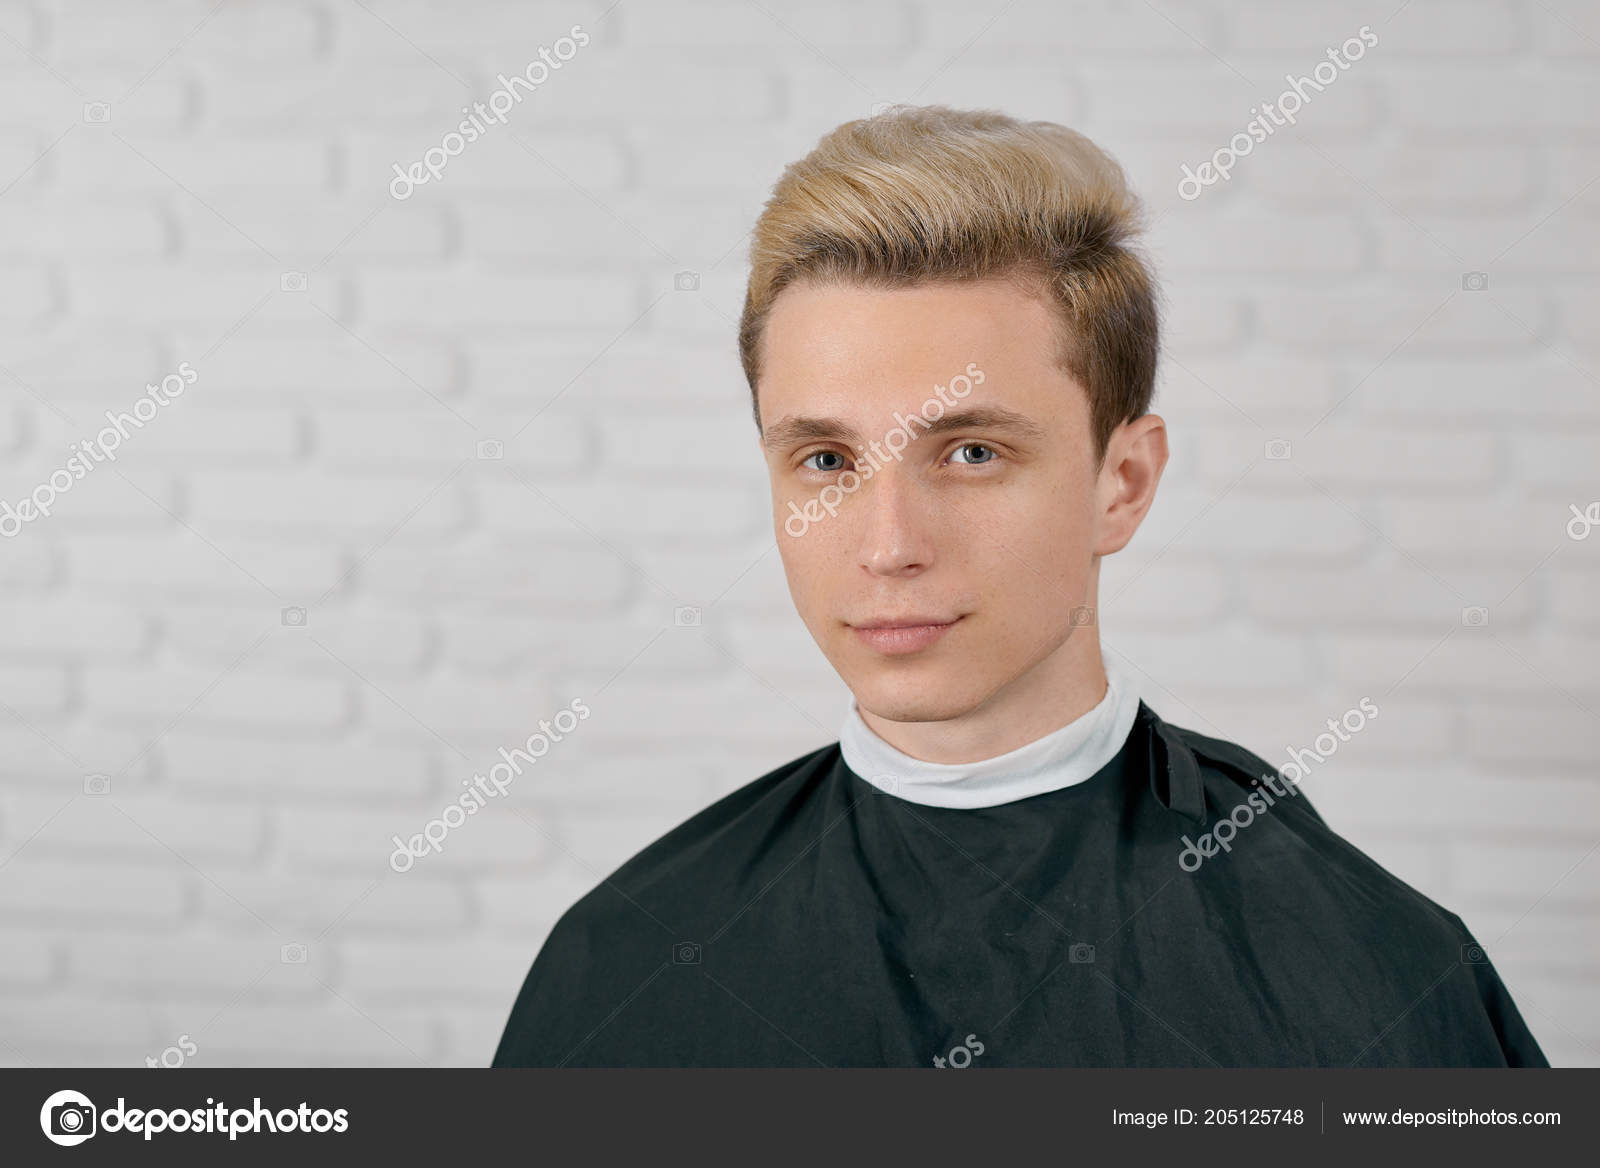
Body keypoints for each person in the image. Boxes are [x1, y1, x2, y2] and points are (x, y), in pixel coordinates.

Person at [492, 105, 1546, 1068]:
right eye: (826, 460)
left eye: (972, 453)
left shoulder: (1370, 974)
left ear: (1121, 484)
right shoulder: (624, 958)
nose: (888, 547)